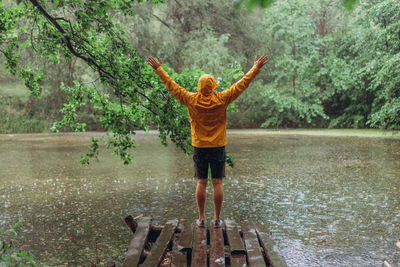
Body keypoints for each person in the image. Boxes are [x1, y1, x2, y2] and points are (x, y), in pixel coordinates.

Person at [147, 55, 269, 227]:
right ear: (212, 87)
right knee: (217, 182)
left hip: (200, 147)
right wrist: (256, 68)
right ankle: (217, 219)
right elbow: (242, 84)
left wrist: (158, 70)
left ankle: (202, 219)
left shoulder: (191, 99)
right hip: (218, 146)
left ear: (199, 86)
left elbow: (172, 86)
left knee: (201, 182)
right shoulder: (221, 99)